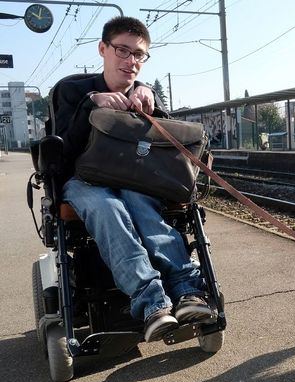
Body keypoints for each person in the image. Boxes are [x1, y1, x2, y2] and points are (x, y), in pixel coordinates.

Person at [55, 16, 214, 342]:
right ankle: (152, 301)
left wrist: (154, 110)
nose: (130, 62)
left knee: (140, 203)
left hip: (136, 181)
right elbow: (60, 152)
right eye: (122, 51)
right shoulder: (72, 91)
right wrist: (90, 106)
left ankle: (186, 290)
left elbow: (172, 150)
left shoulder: (147, 96)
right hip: (84, 181)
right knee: (108, 207)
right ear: (103, 49)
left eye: (139, 54)